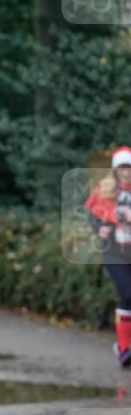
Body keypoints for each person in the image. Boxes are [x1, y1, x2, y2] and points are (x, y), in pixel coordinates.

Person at [85, 146, 131, 367]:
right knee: (128, 293)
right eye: (121, 168)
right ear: (115, 170)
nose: (125, 173)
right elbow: (92, 215)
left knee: (127, 299)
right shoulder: (105, 190)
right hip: (114, 252)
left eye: (129, 168)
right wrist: (99, 229)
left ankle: (123, 348)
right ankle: (123, 346)